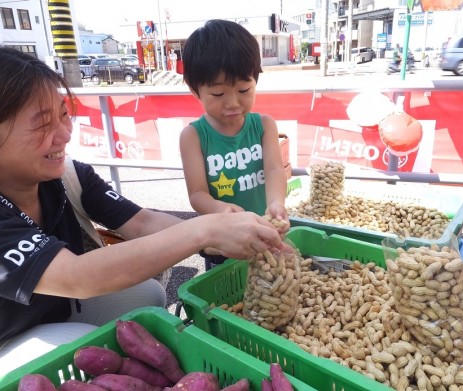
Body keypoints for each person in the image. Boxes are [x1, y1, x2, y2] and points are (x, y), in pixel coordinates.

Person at [0, 47, 283, 375]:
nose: (64, 135)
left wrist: (217, 237)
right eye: (42, 125)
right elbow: (75, 277)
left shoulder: (68, 175)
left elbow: (141, 221)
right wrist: (204, 230)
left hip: (57, 306)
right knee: (84, 348)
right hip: (10, 336)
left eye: (64, 115)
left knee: (147, 294)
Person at [179, 20, 290, 270]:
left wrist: (276, 203)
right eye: (218, 94)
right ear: (195, 90)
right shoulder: (193, 136)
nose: (232, 103)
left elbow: (274, 169)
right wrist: (219, 208)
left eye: (243, 89)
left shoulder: (264, 125)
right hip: (222, 242)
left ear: (255, 81)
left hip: (266, 233)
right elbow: (197, 194)